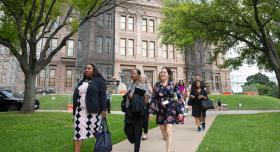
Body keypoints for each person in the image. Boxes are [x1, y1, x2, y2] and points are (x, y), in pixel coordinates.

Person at [72, 63, 107, 152]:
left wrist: (103, 109)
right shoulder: (81, 82)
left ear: (93, 70)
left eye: (89, 68)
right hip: (80, 112)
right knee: (78, 134)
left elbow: (103, 96)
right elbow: (75, 97)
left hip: (94, 112)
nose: (87, 70)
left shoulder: (99, 81)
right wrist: (74, 112)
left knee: (97, 134)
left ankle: (100, 150)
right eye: (85, 68)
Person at [150, 67, 184, 152]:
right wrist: (151, 112)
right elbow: (153, 98)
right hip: (160, 110)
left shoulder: (173, 84)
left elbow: (178, 98)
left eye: (164, 72)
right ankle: (171, 149)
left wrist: (180, 112)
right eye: (161, 72)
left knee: (169, 131)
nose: (162, 74)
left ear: (168, 74)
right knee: (165, 135)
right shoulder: (157, 85)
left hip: (171, 109)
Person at [124, 69, 150, 152]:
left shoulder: (143, 85)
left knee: (137, 132)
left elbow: (147, 97)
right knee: (127, 129)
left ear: (139, 75)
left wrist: (143, 102)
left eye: (134, 73)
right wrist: (128, 95)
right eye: (131, 73)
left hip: (139, 111)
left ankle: (136, 148)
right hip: (129, 110)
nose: (132, 75)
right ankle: (134, 140)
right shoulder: (129, 84)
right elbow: (127, 95)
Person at [140, 75, 153, 140]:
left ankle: (145, 133)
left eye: (143, 79)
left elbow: (151, 94)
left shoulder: (148, 86)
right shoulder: (138, 85)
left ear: (146, 79)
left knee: (145, 120)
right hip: (139, 105)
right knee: (139, 120)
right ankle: (139, 133)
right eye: (141, 78)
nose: (142, 79)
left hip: (147, 105)